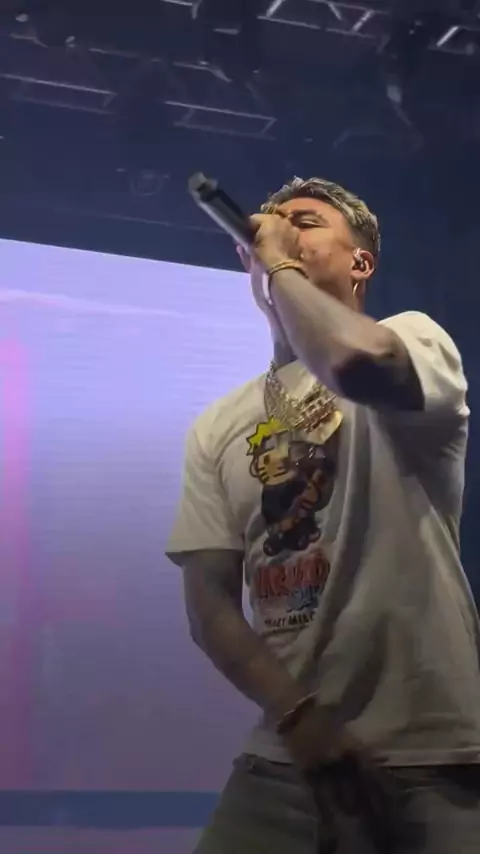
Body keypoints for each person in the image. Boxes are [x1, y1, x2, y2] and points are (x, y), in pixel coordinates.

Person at [166, 177, 480, 853]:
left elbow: (353, 362)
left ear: (361, 262)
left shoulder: (412, 338)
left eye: (305, 222)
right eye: (269, 225)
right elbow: (210, 606)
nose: (278, 231)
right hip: (286, 757)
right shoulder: (217, 425)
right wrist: (299, 718)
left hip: (431, 755)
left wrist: (280, 262)